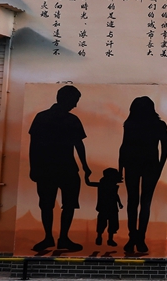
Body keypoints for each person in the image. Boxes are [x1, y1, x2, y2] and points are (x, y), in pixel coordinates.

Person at [28, 85, 91, 253]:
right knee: (61, 205)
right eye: (75, 101)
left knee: (49, 205)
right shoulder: (70, 120)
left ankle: (54, 238)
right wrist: (85, 166)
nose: (75, 105)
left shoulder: (42, 117)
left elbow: (34, 145)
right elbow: (79, 145)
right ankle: (59, 238)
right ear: (67, 100)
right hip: (63, 169)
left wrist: (34, 167)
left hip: (52, 169)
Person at [118, 96, 167, 254]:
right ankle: (138, 238)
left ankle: (135, 238)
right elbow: (165, 149)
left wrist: (120, 168)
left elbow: (124, 147)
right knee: (143, 202)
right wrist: (159, 167)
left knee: (134, 202)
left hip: (136, 166)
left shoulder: (131, 124)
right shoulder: (157, 125)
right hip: (146, 166)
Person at [86, 167, 123, 247]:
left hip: (110, 207)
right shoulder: (103, 185)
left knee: (110, 223)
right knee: (104, 223)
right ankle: (101, 237)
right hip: (106, 207)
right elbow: (89, 183)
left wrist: (119, 203)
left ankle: (107, 239)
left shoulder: (108, 185)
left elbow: (116, 195)